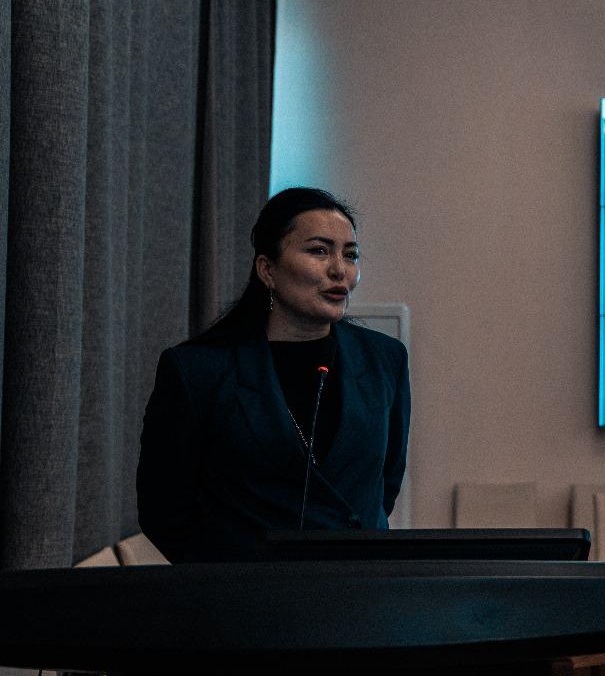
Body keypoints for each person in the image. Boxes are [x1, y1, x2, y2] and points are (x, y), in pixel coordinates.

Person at [137, 187, 410, 562]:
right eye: (319, 251)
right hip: (247, 588)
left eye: (350, 254)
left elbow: (384, 485)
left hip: (359, 583)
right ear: (267, 269)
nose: (339, 270)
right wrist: (229, 577)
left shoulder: (384, 358)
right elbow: (164, 511)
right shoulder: (197, 370)